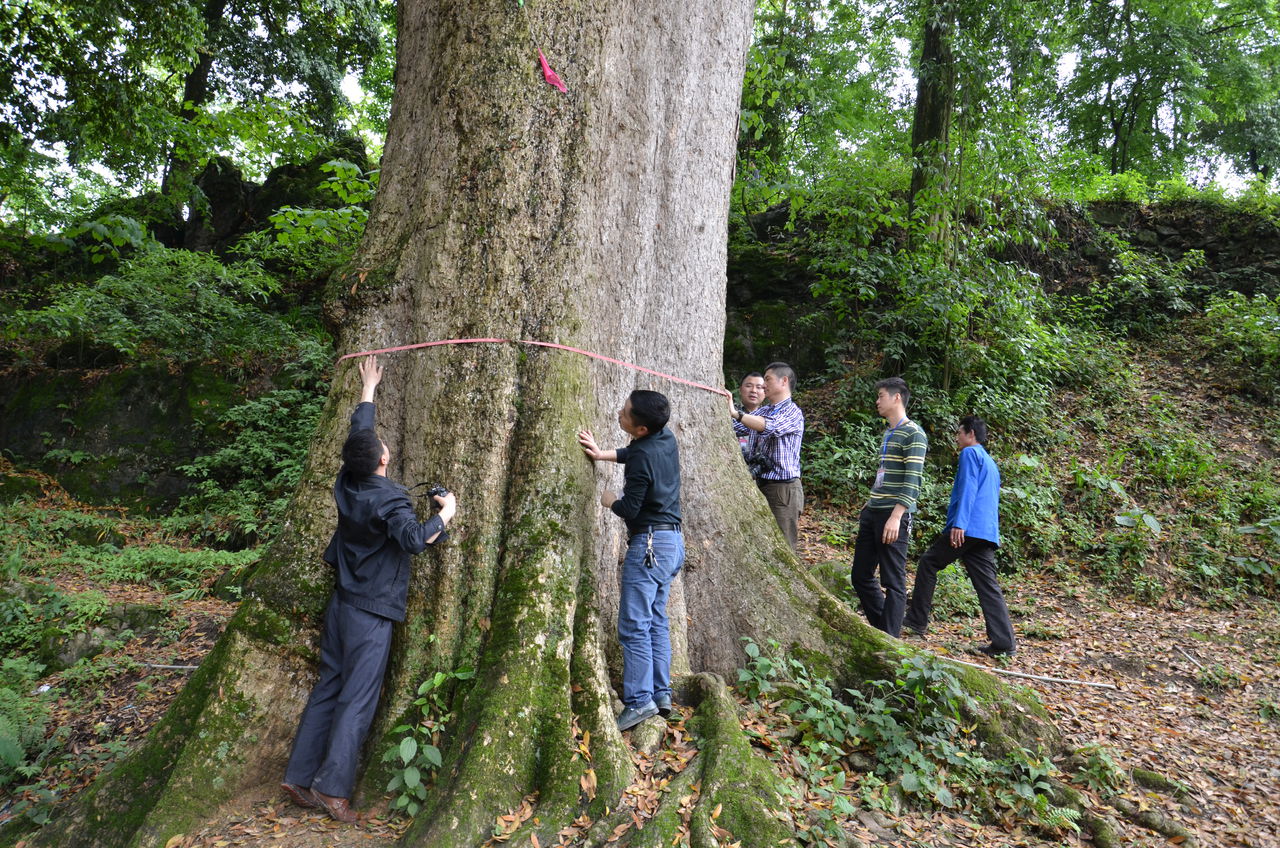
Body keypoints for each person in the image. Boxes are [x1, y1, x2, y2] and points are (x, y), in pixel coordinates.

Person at [281, 355, 457, 823]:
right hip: (370, 612)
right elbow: (414, 540)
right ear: (383, 457)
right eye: (382, 445)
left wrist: (368, 391)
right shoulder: (390, 498)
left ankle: (298, 776)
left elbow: (357, 438)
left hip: (341, 603)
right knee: (357, 700)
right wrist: (447, 511)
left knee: (328, 687)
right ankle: (333, 790)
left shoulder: (348, 482)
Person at [578, 390, 684, 731]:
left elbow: (631, 508)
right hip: (672, 543)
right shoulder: (664, 436)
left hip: (649, 544)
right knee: (655, 620)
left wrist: (610, 501)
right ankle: (660, 692)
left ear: (641, 429)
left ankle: (639, 702)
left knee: (634, 626)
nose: (619, 414)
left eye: (625, 414)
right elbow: (636, 453)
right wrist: (602, 454)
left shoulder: (642, 455)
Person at [903, 416, 1016, 657]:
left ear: (971, 434)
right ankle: (1004, 642)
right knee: (988, 586)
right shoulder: (991, 462)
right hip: (986, 532)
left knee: (929, 562)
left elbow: (968, 488)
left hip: (969, 528)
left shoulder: (969, 454)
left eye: (959, 433)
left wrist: (959, 524)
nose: (956, 438)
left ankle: (916, 620)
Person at [849, 377, 926, 637]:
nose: (877, 401)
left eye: (881, 395)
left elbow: (913, 479)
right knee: (860, 575)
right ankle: (883, 630)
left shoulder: (914, 432)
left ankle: (891, 639)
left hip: (893, 515)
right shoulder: (889, 432)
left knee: (893, 581)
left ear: (896, 397)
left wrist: (897, 515)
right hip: (873, 511)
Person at [730, 362, 805, 550]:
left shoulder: (792, 412)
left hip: (783, 490)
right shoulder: (764, 410)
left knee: (783, 546)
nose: (763, 385)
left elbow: (768, 426)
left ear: (784, 381)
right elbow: (735, 427)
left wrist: (735, 413)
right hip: (759, 484)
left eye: (768, 380)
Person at [733, 372, 766, 460]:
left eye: (759, 387)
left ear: (765, 392)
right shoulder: (729, 412)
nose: (753, 390)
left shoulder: (769, 416)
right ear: (740, 389)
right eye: (748, 386)